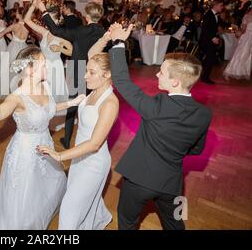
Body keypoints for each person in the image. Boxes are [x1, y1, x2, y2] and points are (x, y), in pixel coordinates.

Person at [90, 23, 212, 230]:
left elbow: (121, 80)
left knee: (127, 223)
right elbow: (197, 149)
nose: (157, 75)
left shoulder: (156, 106)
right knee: (174, 222)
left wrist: (119, 42)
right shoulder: (204, 114)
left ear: (175, 82)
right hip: (172, 185)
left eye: (162, 72)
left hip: (138, 182)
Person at [0, 46, 84, 229]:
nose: (48, 68)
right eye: (43, 65)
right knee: (23, 195)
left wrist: (72, 103)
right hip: (25, 151)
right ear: (30, 70)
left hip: (45, 143)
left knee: (47, 182)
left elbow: (51, 108)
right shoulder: (17, 98)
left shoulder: (44, 85)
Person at [37, 52, 118, 230]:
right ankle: (98, 217)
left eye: (91, 72)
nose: (85, 76)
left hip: (94, 163)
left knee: (69, 208)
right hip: (79, 157)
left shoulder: (110, 103)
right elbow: (94, 52)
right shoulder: (94, 90)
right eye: (86, 70)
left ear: (107, 74)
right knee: (81, 200)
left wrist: (60, 155)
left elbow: (95, 143)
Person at [35, 0, 105, 149]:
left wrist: (43, 10)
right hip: (97, 72)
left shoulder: (81, 30)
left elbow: (56, 30)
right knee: (93, 103)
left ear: (87, 16)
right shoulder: (103, 32)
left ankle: (67, 140)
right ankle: (90, 136)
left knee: (73, 105)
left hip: (78, 69)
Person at [223, 2, 252, 80]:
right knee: (240, 54)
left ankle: (242, 71)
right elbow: (244, 29)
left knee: (248, 56)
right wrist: (238, 33)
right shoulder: (247, 16)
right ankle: (228, 72)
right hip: (247, 38)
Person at [199, 0, 224, 84]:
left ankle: (203, 75)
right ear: (215, 6)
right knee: (211, 58)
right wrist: (212, 38)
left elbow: (214, 27)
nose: (222, 7)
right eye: (221, 5)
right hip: (206, 40)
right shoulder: (208, 15)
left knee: (210, 59)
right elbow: (205, 29)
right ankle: (205, 78)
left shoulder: (215, 15)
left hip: (210, 40)